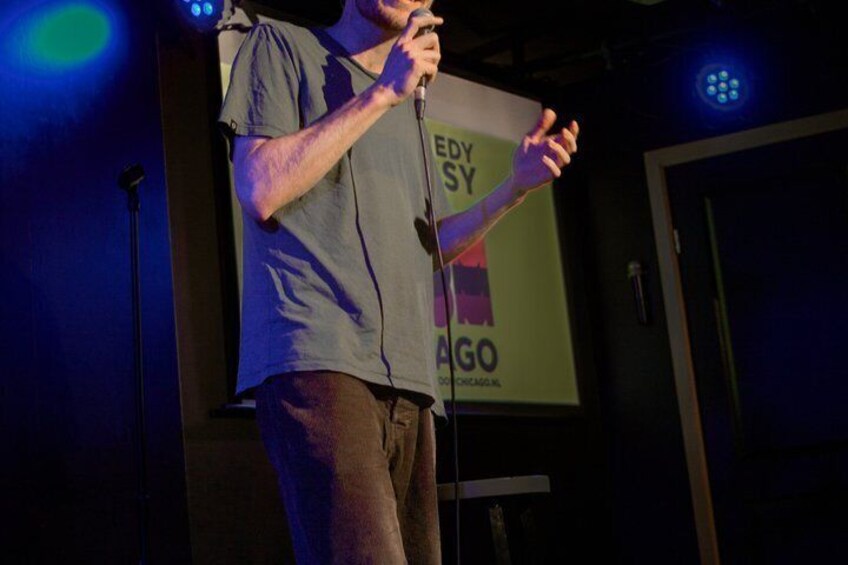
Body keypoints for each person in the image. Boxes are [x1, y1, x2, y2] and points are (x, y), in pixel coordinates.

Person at [218, 1, 579, 562]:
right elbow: (259, 187)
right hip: (320, 359)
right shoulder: (283, 47)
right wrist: (382, 92)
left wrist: (514, 188)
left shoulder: (406, 103)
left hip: (408, 377)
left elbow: (427, 245)